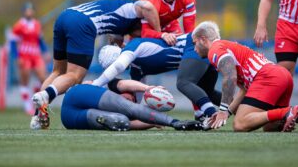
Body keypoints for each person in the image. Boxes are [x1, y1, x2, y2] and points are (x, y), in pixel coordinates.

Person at [30, 0, 161, 130]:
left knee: (58, 72)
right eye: (141, 34)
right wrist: (158, 36)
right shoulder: (134, 8)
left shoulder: (121, 20)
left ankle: (37, 117)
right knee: (75, 76)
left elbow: (116, 44)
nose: (139, 38)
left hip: (64, 17)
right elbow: (148, 7)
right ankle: (45, 95)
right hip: (82, 24)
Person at [193, 21, 298, 132]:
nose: (194, 48)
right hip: (282, 75)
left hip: (269, 77)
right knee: (271, 127)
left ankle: (287, 112)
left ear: (203, 39)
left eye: (195, 43)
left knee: (240, 124)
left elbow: (231, 77)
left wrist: (222, 109)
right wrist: (227, 112)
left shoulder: (214, 50)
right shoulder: (226, 46)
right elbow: (244, 90)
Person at [90, 33, 221, 121]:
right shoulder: (136, 70)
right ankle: (237, 107)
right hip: (193, 52)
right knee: (208, 92)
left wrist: (95, 85)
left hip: (194, 44)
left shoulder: (133, 46)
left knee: (183, 83)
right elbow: (139, 101)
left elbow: (118, 66)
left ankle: (212, 115)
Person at [61, 80, 203, 131]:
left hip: (69, 119)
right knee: (128, 110)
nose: (130, 100)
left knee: (121, 122)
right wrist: (148, 88)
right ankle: (175, 123)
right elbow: (124, 85)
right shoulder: (112, 84)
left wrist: (153, 123)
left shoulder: (123, 109)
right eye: (130, 97)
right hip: (76, 96)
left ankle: (104, 119)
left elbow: (133, 124)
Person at [10, 2, 49, 115]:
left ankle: (36, 101)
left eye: (31, 10)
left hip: (36, 54)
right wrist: (16, 57)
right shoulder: (19, 25)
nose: (30, 12)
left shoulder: (37, 24)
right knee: (25, 79)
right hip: (24, 55)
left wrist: (45, 52)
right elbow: (13, 43)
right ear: (24, 12)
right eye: (28, 10)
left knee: (42, 77)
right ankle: (27, 106)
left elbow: (40, 40)